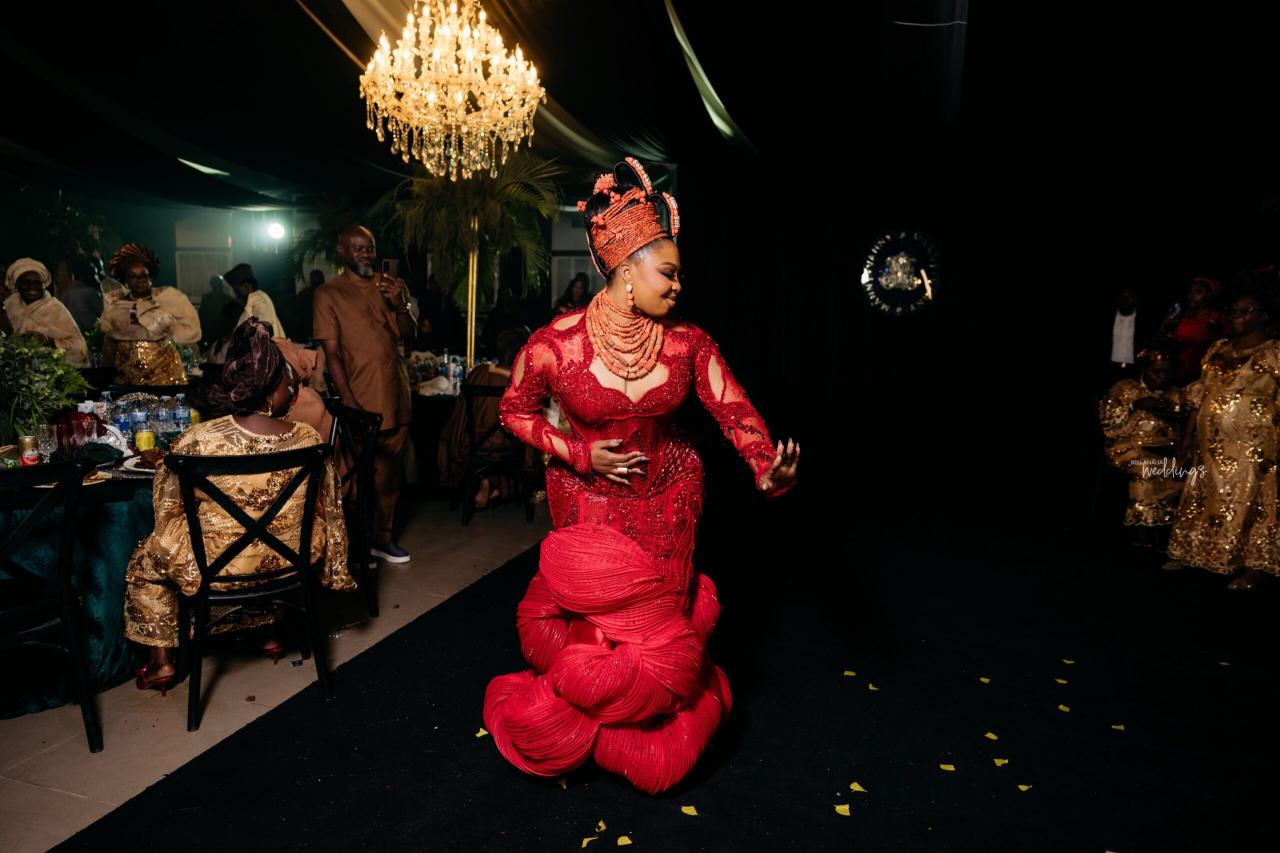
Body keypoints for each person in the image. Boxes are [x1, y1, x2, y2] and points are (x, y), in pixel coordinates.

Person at [483, 158, 800, 794]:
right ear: (627, 271)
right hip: (588, 498)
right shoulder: (556, 344)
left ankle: (650, 730)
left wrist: (766, 466)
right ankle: (590, 726)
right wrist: (578, 454)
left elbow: (733, 409)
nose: (680, 286)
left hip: (670, 494)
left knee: (660, 627)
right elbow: (513, 411)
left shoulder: (688, 344)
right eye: (669, 273)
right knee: (598, 628)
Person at [127, 320, 353, 692]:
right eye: (287, 383)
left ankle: (161, 663)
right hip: (291, 559)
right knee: (269, 534)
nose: (292, 390)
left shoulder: (199, 440)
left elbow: (170, 508)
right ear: (271, 390)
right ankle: (269, 634)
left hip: (220, 565)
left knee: (147, 557)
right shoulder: (307, 439)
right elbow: (329, 506)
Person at [313, 226, 417, 564]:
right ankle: (353, 544)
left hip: (396, 394)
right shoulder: (329, 294)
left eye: (369, 248)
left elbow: (410, 335)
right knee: (357, 477)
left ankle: (382, 539)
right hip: (359, 397)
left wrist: (401, 304)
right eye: (357, 248)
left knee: (390, 476)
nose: (365, 254)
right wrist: (348, 400)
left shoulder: (392, 287)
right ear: (342, 251)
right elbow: (332, 354)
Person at [1165, 290, 1280, 589]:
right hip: (1210, 441)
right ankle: (1193, 551)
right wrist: (1188, 435)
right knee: (1204, 494)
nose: (1238, 315)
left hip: (1253, 445)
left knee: (1249, 499)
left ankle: (1251, 565)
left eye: (1247, 310)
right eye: (1234, 310)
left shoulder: (1274, 352)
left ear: (1264, 316)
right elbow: (1200, 393)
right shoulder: (1218, 349)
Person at [1099, 346, 1186, 549]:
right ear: (1145, 370)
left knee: (1188, 471)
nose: (1162, 377)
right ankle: (1142, 529)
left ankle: (1167, 529)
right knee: (1146, 467)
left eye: (1167, 372)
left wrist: (1174, 414)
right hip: (1127, 447)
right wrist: (1134, 406)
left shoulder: (1178, 393)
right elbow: (1109, 422)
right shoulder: (1125, 388)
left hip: (1166, 450)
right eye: (1157, 371)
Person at [437, 327, 534, 508]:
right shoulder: (522, 380)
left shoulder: (479, 372)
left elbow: (460, 416)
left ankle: (486, 480)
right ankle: (497, 485)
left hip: (475, 443)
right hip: (511, 445)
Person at [100, 243, 201, 385]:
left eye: (144, 275)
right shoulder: (117, 306)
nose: (140, 281)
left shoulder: (167, 297)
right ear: (125, 281)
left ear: (150, 277)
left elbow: (190, 330)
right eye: (133, 276)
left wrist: (165, 324)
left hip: (164, 372)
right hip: (127, 375)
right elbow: (110, 340)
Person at [1, 258, 89, 365]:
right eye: (26, 282)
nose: (32, 287)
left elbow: (80, 349)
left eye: (37, 283)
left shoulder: (55, 308)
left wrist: (49, 341)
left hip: (52, 371)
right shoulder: (8, 306)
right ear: (18, 285)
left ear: (44, 285)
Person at [1159, 276, 1227, 385]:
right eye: (1190, 292)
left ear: (1209, 295)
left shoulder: (1215, 319)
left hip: (1198, 375)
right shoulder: (1182, 318)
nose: (1191, 296)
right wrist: (1165, 324)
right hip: (1176, 372)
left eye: (1198, 292)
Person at [224, 263, 286, 340]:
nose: (235, 292)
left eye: (236, 289)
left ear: (246, 286)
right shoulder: (253, 300)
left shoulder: (260, 301)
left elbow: (264, 327)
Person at [62, 258, 104, 334]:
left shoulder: (65, 292)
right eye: (94, 274)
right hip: (89, 335)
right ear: (87, 275)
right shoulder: (89, 292)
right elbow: (104, 314)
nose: (96, 277)